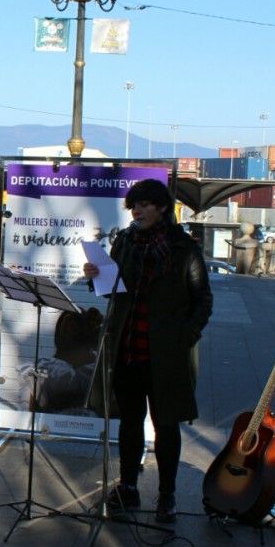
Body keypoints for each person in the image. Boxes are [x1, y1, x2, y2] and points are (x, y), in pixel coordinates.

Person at [82, 178, 213, 524]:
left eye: (144, 205)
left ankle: (167, 494)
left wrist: (186, 336)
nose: (137, 211)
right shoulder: (124, 242)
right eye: (133, 206)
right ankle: (128, 486)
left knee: (166, 423)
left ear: (162, 208)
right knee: (129, 421)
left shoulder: (184, 248)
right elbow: (111, 290)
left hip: (166, 352)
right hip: (127, 346)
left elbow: (203, 299)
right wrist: (93, 276)